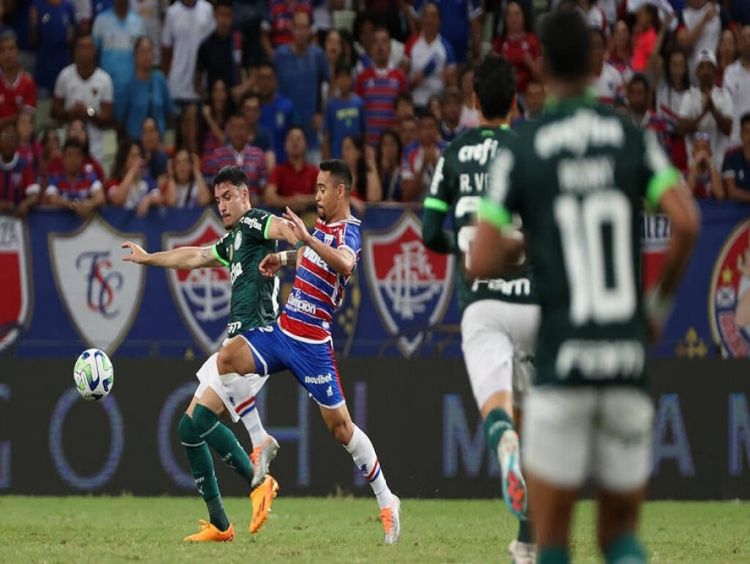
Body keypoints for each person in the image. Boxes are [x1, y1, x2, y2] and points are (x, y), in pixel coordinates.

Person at [469, 9, 699, 564]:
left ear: (540, 65)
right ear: (597, 62)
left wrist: (528, 241)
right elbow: (687, 222)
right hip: (625, 360)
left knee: (552, 543)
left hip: (562, 365)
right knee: (619, 538)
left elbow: (479, 258)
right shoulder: (629, 137)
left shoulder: (525, 148)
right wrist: (655, 307)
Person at [215, 159, 402, 545]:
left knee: (341, 429)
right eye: (314, 188)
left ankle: (387, 500)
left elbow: (344, 263)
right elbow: (312, 258)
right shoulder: (322, 229)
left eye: (321, 189)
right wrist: (282, 257)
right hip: (283, 331)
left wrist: (305, 239)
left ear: (340, 192)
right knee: (227, 358)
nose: (315, 195)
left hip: (314, 344)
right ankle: (259, 439)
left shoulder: (348, 231)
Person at [121, 165, 296, 542]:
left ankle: (257, 481)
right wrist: (149, 257)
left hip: (252, 344)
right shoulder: (234, 242)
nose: (223, 205)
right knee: (190, 427)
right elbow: (196, 256)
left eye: (228, 196)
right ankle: (225, 520)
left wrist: (292, 237)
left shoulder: (254, 222)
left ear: (245, 195)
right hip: (235, 342)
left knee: (193, 426)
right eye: (218, 200)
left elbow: (278, 229)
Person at [421, 54, 538, 564]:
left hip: (482, 301)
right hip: (533, 301)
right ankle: (528, 541)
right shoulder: (529, 150)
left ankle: (503, 446)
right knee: (534, 420)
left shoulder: (453, 153)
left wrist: (465, 247)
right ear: (514, 101)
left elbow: (428, 232)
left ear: (472, 101)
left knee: (500, 415)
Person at [51, 33, 115, 163]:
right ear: (75, 51)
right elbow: (54, 112)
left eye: (89, 47)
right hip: (68, 143)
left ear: (95, 51)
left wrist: (88, 112)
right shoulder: (65, 76)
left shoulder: (104, 80)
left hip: (96, 144)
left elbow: (108, 118)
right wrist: (72, 112)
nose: (85, 52)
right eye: (81, 47)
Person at [274, 9, 328, 160]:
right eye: (298, 27)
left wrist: (322, 113)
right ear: (291, 28)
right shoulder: (280, 55)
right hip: (285, 128)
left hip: (311, 130)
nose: (301, 32)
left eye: (305, 27)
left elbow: (331, 82)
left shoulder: (318, 55)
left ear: (310, 30)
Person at [678, 48, 733, 170]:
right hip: (693, 164)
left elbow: (728, 129)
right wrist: (703, 114)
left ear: (714, 71)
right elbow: (681, 129)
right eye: (702, 67)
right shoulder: (689, 96)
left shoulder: (724, 95)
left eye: (709, 67)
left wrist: (713, 110)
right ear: (697, 72)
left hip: (718, 164)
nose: (706, 71)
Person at [91, 0, 144, 121]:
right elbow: (93, 53)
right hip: (107, 87)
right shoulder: (101, 20)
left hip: (132, 88)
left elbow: (141, 55)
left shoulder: (138, 22)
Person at [354, 26, 408, 146]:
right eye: (376, 41)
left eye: (384, 41)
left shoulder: (400, 77)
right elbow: (358, 109)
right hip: (369, 143)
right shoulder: (362, 77)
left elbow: (404, 111)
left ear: (390, 47)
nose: (380, 46)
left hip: (393, 143)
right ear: (371, 48)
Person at [203, 113, 267, 203]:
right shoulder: (217, 155)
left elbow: (263, 187)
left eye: (241, 128)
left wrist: (257, 199)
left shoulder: (258, 154)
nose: (237, 132)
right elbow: (210, 187)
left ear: (248, 131)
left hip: (253, 208)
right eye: (233, 128)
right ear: (228, 131)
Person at [121, 36, 173, 142]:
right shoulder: (128, 83)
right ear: (135, 55)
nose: (147, 55)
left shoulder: (160, 79)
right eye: (143, 51)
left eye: (150, 51)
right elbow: (120, 118)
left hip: (158, 142)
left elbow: (169, 112)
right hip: (135, 141)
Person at [405, 2, 456, 110]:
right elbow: (403, 77)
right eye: (426, 16)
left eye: (433, 16)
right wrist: (417, 78)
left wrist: (447, 80)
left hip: (437, 104)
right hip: (415, 102)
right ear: (421, 19)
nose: (430, 21)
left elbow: (452, 82)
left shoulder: (446, 47)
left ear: (439, 20)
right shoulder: (412, 43)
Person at [44, 138, 105, 218]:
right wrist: (72, 205)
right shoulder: (56, 177)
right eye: (69, 155)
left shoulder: (89, 175)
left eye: (77, 155)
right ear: (63, 158)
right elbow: (52, 198)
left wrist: (89, 204)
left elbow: (100, 197)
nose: (73, 159)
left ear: (82, 158)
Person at [491, 1, 541, 99]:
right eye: (509, 15)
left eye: (517, 14)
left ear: (524, 17)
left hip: (527, 94)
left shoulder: (532, 40)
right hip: (504, 94)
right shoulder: (499, 44)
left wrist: (531, 64)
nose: (513, 19)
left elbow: (541, 77)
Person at [264, 125, 317, 210]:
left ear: (306, 144)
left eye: (298, 139)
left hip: (308, 215)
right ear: (285, 145)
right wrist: (290, 202)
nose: (295, 142)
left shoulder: (313, 170)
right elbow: (269, 197)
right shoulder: (278, 170)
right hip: (284, 216)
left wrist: (305, 200)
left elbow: (323, 196)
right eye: (291, 139)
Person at [107, 139, 161, 216]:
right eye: (133, 156)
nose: (139, 160)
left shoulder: (147, 179)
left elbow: (158, 198)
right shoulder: (114, 181)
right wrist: (132, 171)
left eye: (139, 155)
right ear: (124, 160)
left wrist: (148, 200)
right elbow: (117, 200)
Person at [323, 62, 365, 160]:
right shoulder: (331, 106)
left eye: (347, 77)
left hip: (356, 157)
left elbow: (364, 133)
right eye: (340, 78)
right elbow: (327, 136)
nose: (344, 81)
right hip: (337, 157)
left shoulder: (359, 103)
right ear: (336, 80)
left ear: (351, 79)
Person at [257, 60, 296, 163]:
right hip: (256, 170)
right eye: (261, 78)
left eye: (268, 78)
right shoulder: (252, 107)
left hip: (283, 166)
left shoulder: (287, 106)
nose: (264, 83)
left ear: (275, 80)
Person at [401, 111, 444, 202]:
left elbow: (452, 189)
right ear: (418, 131)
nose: (428, 132)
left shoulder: (446, 150)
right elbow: (407, 194)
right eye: (424, 127)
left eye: (431, 127)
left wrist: (437, 165)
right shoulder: (409, 152)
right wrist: (423, 167)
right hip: (416, 207)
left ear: (437, 129)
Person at [0, 122, 39, 216]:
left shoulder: (24, 165)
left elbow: (34, 195)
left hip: (18, 220)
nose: (8, 143)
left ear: (16, 143)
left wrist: (25, 204)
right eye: (5, 140)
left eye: (11, 140)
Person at [0, 30, 36, 127]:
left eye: (11, 49)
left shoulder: (28, 82)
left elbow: (27, 120)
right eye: (2, 50)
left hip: (21, 137)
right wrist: (16, 116)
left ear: (18, 52)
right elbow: (20, 116)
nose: (7, 54)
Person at [723, 24, 750, 145]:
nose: (747, 42)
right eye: (744, 38)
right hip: (735, 140)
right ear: (739, 44)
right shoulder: (730, 72)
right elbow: (726, 106)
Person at [341, 135, 382, 202]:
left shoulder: (365, 177)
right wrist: (350, 200)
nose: (343, 152)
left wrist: (372, 165)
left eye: (348, 148)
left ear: (358, 153)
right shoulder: (337, 176)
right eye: (343, 148)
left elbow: (374, 199)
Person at [687, 131, 724, 198]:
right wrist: (695, 163)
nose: (701, 151)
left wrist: (711, 163)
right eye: (697, 148)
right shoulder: (687, 173)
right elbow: (687, 195)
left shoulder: (714, 173)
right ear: (692, 153)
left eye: (704, 148)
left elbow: (720, 195)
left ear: (710, 152)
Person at [722, 113, 750, 202]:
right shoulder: (731, 156)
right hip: (736, 209)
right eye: (746, 132)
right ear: (741, 134)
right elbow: (732, 192)